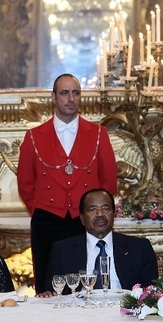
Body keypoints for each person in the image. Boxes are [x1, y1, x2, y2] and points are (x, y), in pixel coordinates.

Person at [17, 73, 118, 293]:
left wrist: (94, 213)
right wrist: (43, 209)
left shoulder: (99, 134)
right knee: (47, 287)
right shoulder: (34, 136)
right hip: (48, 221)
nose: (71, 98)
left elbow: (108, 182)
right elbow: (26, 184)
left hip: (85, 221)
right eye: (64, 93)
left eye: (76, 93)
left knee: (87, 282)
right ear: (53, 97)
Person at [38, 188, 158, 296]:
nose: (100, 214)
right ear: (82, 218)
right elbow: (52, 292)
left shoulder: (139, 248)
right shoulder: (62, 250)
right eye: (92, 209)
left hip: (123, 313)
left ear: (113, 214)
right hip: (78, 314)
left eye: (106, 208)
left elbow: (152, 291)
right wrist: (47, 294)